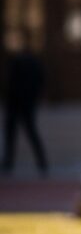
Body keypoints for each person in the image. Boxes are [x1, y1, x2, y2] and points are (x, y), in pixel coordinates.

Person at [2, 30, 48, 177]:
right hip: (21, 103)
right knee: (20, 133)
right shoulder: (23, 60)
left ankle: (39, 161)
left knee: (26, 132)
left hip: (20, 103)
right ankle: (39, 161)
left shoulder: (21, 61)